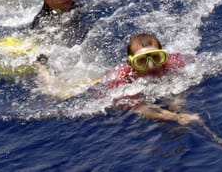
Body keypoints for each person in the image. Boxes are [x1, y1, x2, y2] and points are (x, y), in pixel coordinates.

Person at [36, 32, 201, 125]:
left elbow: (181, 85)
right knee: (57, 89)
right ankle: (42, 68)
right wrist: (175, 117)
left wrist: (177, 103)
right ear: (131, 63)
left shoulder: (174, 64)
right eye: (142, 61)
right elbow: (141, 108)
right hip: (99, 84)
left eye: (156, 58)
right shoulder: (121, 80)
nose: (151, 66)